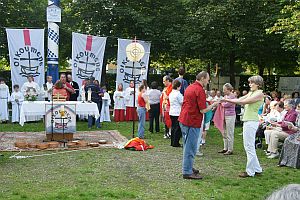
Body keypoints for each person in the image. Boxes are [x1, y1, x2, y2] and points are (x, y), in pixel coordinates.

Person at [221, 75, 264, 178]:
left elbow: (243, 102)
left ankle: (250, 171)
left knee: (249, 147)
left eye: (251, 83)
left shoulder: (259, 94)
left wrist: (227, 100)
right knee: (248, 146)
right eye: (249, 83)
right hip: (248, 120)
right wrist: (227, 99)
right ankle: (257, 169)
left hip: (252, 121)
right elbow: (240, 99)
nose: (250, 84)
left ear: (258, 84)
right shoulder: (252, 92)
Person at [178, 71, 219, 180]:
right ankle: (187, 171)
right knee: (190, 147)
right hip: (192, 120)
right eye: (207, 79)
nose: (208, 81)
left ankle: (189, 167)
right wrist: (214, 104)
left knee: (187, 146)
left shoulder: (190, 87)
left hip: (184, 119)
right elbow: (203, 110)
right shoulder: (199, 90)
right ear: (202, 78)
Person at [218, 83, 236, 155]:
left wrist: (222, 102)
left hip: (230, 116)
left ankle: (230, 149)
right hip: (224, 115)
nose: (223, 91)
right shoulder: (226, 96)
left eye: (224, 90)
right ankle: (225, 148)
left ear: (229, 89)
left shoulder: (232, 97)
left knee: (230, 132)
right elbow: (223, 103)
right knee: (224, 132)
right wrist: (223, 101)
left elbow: (226, 104)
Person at [169, 80, 183, 147]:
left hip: (172, 111)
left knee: (173, 127)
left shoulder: (171, 93)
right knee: (177, 128)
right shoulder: (178, 94)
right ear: (178, 86)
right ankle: (176, 143)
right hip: (177, 112)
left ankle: (172, 142)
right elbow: (182, 102)